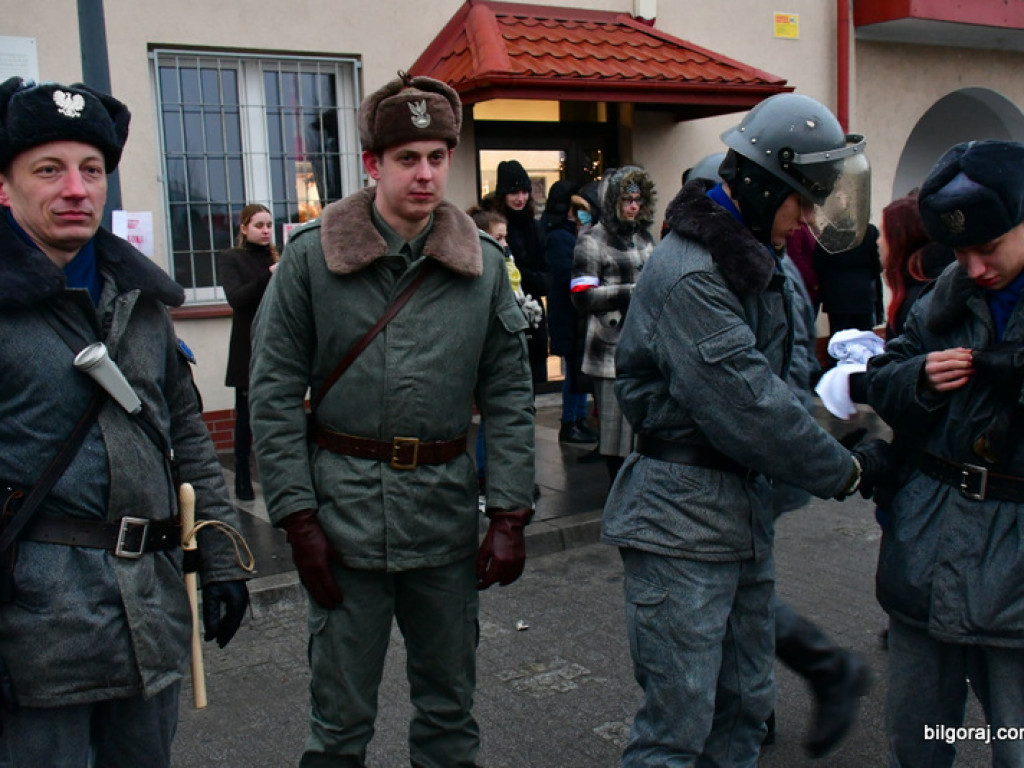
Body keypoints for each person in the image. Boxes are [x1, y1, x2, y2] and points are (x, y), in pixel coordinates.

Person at [248, 72, 535, 767]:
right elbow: (273, 391)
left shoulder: (484, 267)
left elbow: (508, 392)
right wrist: (297, 518)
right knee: (340, 722)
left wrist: (508, 514)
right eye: (408, 158)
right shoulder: (313, 261)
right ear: (373, 165)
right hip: (343, 521)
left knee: (448, 714)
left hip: (442, 522)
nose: (426, 173)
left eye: (438, 156)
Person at [602, 93, 889, 766]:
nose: (808, 217)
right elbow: (750, 402)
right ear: (764, 186)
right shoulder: (691, 273)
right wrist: (846, 468)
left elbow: (776, 379)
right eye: (801, 199)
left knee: (744, 707)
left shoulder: (744, 258)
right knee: (676, 730)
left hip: (736, 511)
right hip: (682, 520)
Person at [0, 77, 250, 766]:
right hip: (36, 636)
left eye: (91, 170)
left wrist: (222, 557)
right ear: (5, 186)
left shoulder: (140, 303)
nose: (76, 188)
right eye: (48, 170)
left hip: (148, 614)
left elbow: (188, 439)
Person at [865, 139, 1024, 767]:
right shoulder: (947, 292)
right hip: (928, 550)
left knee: (1012, 740)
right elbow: (883, 375)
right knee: (921, 739)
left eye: (988, 249)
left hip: (1015, 566)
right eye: (959, 251)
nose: (974, 268)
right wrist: (920, 379)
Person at [571, 165, 656, 485]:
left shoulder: (645, 237)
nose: (633, 206)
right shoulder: (592, 239)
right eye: (626, 199)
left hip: (646, 345)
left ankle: (640, 492)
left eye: (638, 199)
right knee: (614, 433)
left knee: (643, 430)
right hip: (609, 348)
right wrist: (632, 293)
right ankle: (618, 493)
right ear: (612, 202)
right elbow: (581, 295)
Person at [217, 203, 279, 501]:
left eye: (269, 225)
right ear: (244, 228)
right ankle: (242, 473)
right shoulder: (233, 258)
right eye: (259, 225)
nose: (266, 230)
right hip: (247, 346)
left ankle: (276, 476)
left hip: (277, 344)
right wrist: (269, 274)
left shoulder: (278, 256)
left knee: (278, 413)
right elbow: (238, 299)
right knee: (245, 415)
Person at [484, 159, 550, 386]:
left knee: (532, 381)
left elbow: (546, 276)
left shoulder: (535, 226)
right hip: (503, 314)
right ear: (503, 194)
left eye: (524, 191)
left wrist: (525, 274)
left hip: (533, 313)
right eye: (514, 192)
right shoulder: (491, 224)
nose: (520, 198)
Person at [543, 179, 596, 444]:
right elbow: (565, 274)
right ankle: (571, 420)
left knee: (578, 371)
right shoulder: (560, 237)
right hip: (569, 312)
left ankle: (579, 419)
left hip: (573, 312)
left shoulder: (569, 233)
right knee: (573, 373)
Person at [879, 192, 954, 338]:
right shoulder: (936, 283)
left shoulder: (919, 302)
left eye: (883, 233)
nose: (878, 241)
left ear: (900, 238)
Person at [815, 222, 883, 335]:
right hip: (862, 291)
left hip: (836, 294)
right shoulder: (868, 230)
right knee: (864, 340)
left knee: (839, 342)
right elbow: (876, 263)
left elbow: (819, 263)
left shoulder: (829, 232)